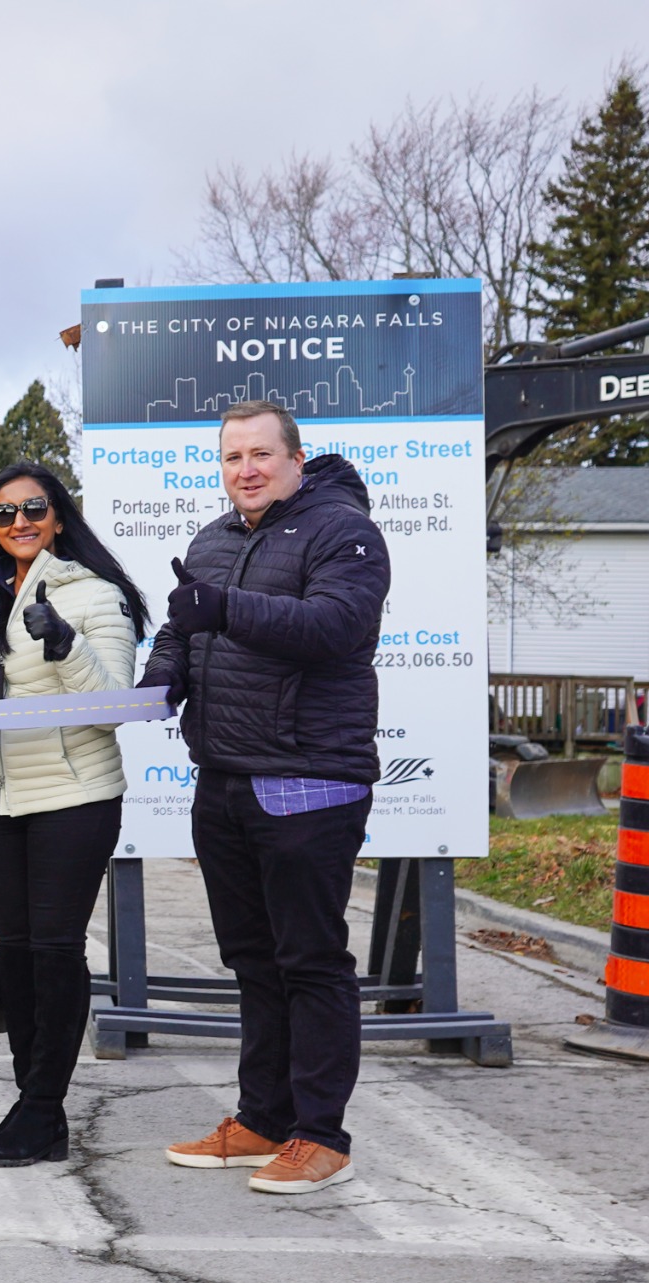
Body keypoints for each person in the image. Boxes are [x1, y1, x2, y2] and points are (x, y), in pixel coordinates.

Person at [142, 399, 390, 1196]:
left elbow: (336, 627)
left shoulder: (344, 530)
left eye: (259, 455)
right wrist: (159, 680)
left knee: (311, 961)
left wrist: (223, 609)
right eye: (230, 458)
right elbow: (184, 631)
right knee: (252, 960)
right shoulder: (212, 541)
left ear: (294, 458)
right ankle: (260, 1119)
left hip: (308, 782)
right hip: (224, 777)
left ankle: (320, 1135)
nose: (244, 470)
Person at [0, 463, 146, 1166]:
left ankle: (43, 1109)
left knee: (57, 952)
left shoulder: (97, 594)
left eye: (34, 508)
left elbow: (115, 704)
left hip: (73, 797)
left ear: (59, 516)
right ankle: (30, 1100)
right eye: (4, 515)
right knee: (21, 954)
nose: (20, 522)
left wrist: (65, 642)